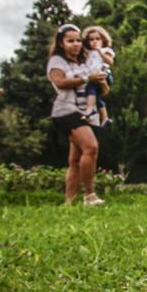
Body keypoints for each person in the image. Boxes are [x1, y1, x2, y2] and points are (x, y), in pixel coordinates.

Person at [46, 23, 110, 205]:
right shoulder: (57, 61)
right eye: (70, 41)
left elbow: (102, 92)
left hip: (87, 111)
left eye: (78, 41)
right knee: (91, 147)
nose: (75, 44)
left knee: (75, 160)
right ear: (60, 43)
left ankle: (69, 202)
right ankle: (89, 195)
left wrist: (101, 83)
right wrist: (86, 79)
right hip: (66, 110)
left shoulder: (85, 61)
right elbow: (59, 82)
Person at [81, 26, 115, 128]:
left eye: (97, 39)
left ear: (103, 40)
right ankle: (104, 118)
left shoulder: (105, 50)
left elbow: (110, 62)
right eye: (91, 40)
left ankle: (89, 109)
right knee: (97, 97)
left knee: (90, 89)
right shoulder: (89, 53)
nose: (94, 42)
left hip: (104, 74)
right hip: (95, 76)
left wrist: (100, 52)